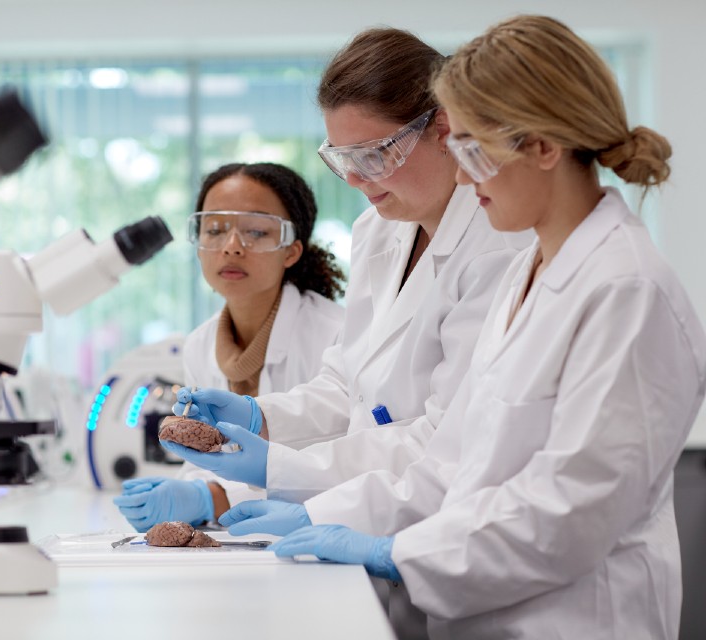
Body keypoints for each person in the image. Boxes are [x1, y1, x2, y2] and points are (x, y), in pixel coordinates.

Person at [255, 15, 706, 639]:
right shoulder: (531, 272)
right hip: (481, 614)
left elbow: (570, 514)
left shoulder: (625, 291)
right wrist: (316, 513)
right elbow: (451, 462)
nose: (462, 175)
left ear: (543, 147)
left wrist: (398, 554)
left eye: (471, 149)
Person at [166, 29, 529, 526]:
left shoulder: (498, 245)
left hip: (444, 521)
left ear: (442, 128)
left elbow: (444, 439)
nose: (356, 180)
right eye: (343, 160)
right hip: (381, 513)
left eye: (374, 155)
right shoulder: (378, 229)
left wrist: (280, 468)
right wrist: (261, 417)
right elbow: (348, 383)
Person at [113, 162, 346, 531]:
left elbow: (338, 466)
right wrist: (189, 490)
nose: (232, 247)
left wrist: (214, 500)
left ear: (292, 251)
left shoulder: (336, 335)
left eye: (256, 231)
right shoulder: (199, 345)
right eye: (216, 230)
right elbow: (205, 461)